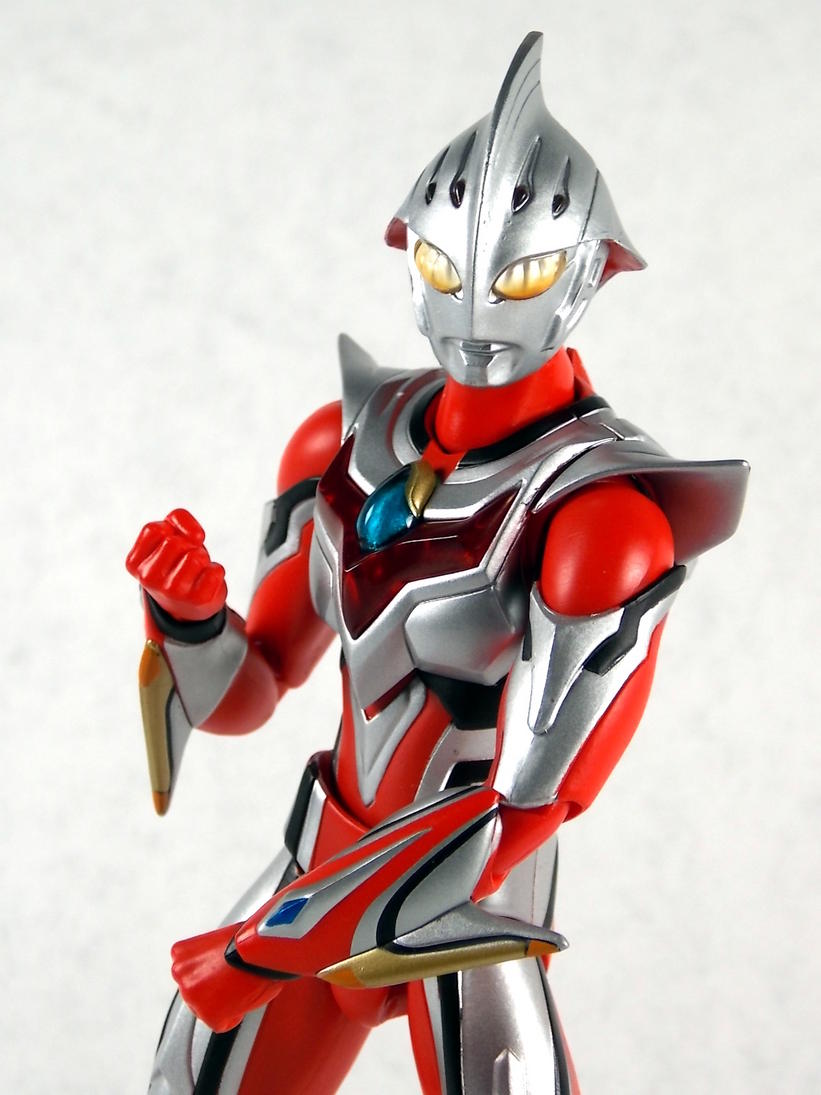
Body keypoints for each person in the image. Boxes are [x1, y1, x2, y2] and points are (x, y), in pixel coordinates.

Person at [127, 32, 748, 1095]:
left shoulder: (600, 521)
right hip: (318, 855)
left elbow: (522, 808)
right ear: (405, 252)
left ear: (590, 271)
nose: (476, 312)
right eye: (442, 269)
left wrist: (268, 948)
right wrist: (188, 620)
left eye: (523, 273)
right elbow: (252, 687)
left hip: (464, 909)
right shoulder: (344, 443)